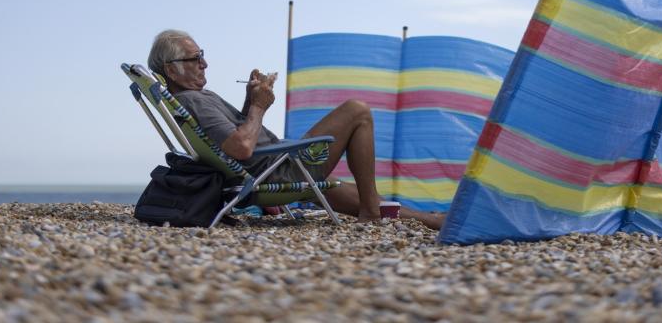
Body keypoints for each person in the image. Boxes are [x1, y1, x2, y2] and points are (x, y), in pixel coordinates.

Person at [148, 29, 444, 229]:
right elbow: (241, 147)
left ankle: (428, 219)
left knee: (342, 189)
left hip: (268, 167)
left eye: (202, 55)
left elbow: (231, 135)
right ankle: (371, 211)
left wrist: (251, 100)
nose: (205, 64)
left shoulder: (194, 99)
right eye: (194, 59)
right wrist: (260, 106)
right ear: (171, 69)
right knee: (357, 111)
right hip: (274, 170)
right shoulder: (195, 101)